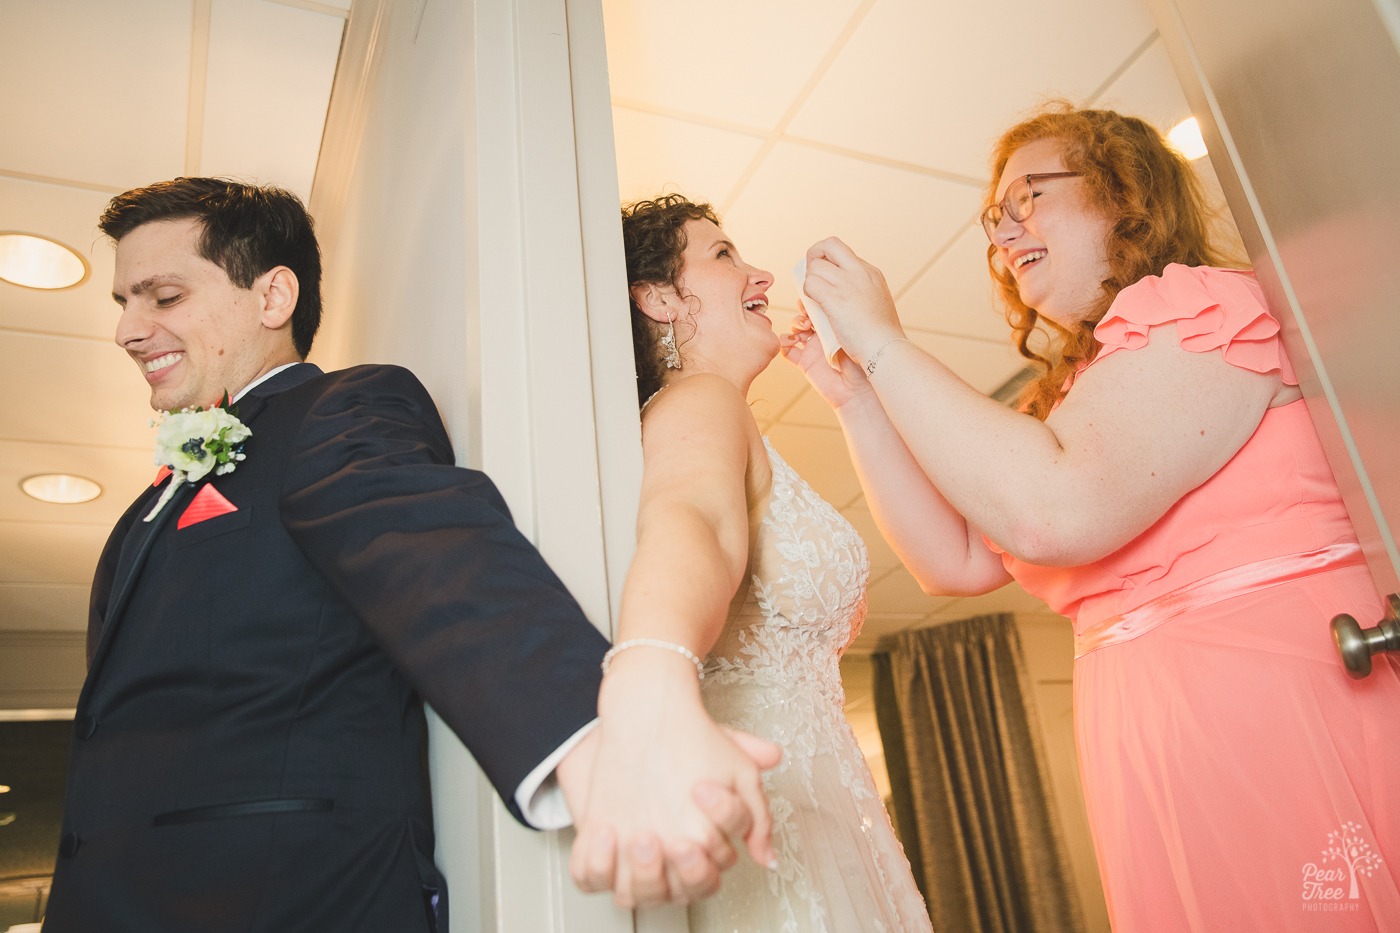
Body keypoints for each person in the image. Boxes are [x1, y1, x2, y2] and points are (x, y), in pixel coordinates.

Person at [43, 177, 774, 931]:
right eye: (124, 304)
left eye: (161, 297)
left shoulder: (337, 410)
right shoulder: (143, 509)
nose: (128, 330)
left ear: (273, 297)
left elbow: (435, 556)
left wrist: (594, 741)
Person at [785, 104, 1400, 929]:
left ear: (1123, 194)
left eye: (1027, 196)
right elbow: (956, 560)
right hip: (1146, 732)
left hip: (1281, 700)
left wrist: (884, 337)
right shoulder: (1078, 397)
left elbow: (1055, 508)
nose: (1003, 231)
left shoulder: (1201, 306)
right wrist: (856, 392)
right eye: (993, 218)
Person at [570, 194, 933, 930]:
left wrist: (852, 396)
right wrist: (651, 670)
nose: (761, 272)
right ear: (661, 299)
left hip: (829, 822)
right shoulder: (698, 399)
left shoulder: (719, 415)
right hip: (782, 846)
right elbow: (691, 519)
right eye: (726, 254)